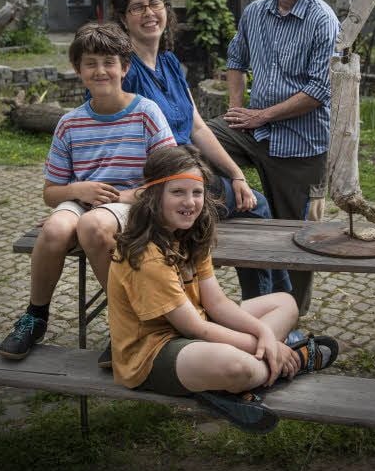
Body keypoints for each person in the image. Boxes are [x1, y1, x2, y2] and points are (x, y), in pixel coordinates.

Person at [108, 0, 291, 304]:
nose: (149, 13)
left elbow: (198, 127)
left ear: (166, 9)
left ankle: (270, 305)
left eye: (155, 4)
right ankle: (269, 306)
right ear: (123, 18)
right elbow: (116, 136)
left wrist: (236, 174)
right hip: (162, 183)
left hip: (189, 171)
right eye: (137, 8)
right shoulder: (125, 72)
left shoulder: (169, 63)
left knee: (252, 201)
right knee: (257, 208)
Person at [0, 22, 176, 360]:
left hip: (133, 201)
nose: (100, 71)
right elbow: (51, 194)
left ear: (125, 67)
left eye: (109, 62)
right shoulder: (70, 123)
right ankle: (35, 316)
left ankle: (126, 323)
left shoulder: (146, 113)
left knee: (93, 226)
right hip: (83, 199)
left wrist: (122, 197)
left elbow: (170, 180)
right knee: (54, 229)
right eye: (90, 63)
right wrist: (78, 188)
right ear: (77, 70)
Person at [108, 144, 338, 402]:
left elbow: (216, 303)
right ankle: (290, 361)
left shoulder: (190, 234)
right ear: (153, 195)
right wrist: (269, 343)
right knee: (237, 366)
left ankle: (246, 375)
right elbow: (196, 329)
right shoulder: (148, 256)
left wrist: (263, 334)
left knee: (285, 303)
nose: (190, 202)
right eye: (177, 192)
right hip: (154, 351)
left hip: (200, 329)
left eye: (197, 192)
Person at [209, 0, 339, 316]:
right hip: (254, 132)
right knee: (194, 142)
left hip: (300, 143)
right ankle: (237, 203)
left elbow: (319, 91)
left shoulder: (323, 21)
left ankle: (291, 317)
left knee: (297, 236)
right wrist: (237, 110)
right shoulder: (254, 12)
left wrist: (260, 115)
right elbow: (236, 59)